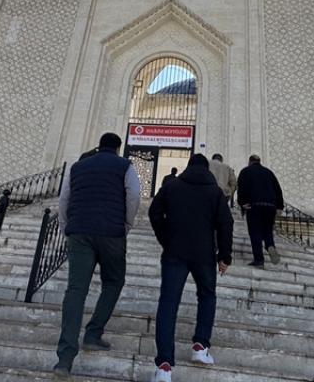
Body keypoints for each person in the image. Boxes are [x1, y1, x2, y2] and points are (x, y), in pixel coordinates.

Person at [53, 132, 141, 378]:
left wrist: (66, 226)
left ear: (99, 146)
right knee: (113, 282)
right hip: (111, 233)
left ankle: (65, 358)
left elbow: (64, 199)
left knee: (75, 290)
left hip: (79, 232)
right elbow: (134, 195)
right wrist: (126, 224)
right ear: (118, 147)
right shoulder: (125, 165)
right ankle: (93, 333)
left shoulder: (77, 166)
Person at [148, 154, 233, 382]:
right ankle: (200, 346)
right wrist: (224, 257)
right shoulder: (214, 192)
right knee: (207, 296)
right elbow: (226, 224)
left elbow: (154, 212)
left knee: (168, 303)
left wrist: (166, 238)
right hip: (204, 254)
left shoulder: (172, 186)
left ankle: (164, 366)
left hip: (175, 253)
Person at [235, 154, 284, 268]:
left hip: (254, 205)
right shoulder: (269, 172)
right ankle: (270, 245)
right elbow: (277, 189)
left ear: (250, 162)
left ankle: (259, 260)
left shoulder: (246, 171)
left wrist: (242, 202)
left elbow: (241, 187)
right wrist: (279, 206)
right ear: (259, 161)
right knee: (267, 230)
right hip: (270, 206)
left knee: (255, 232)